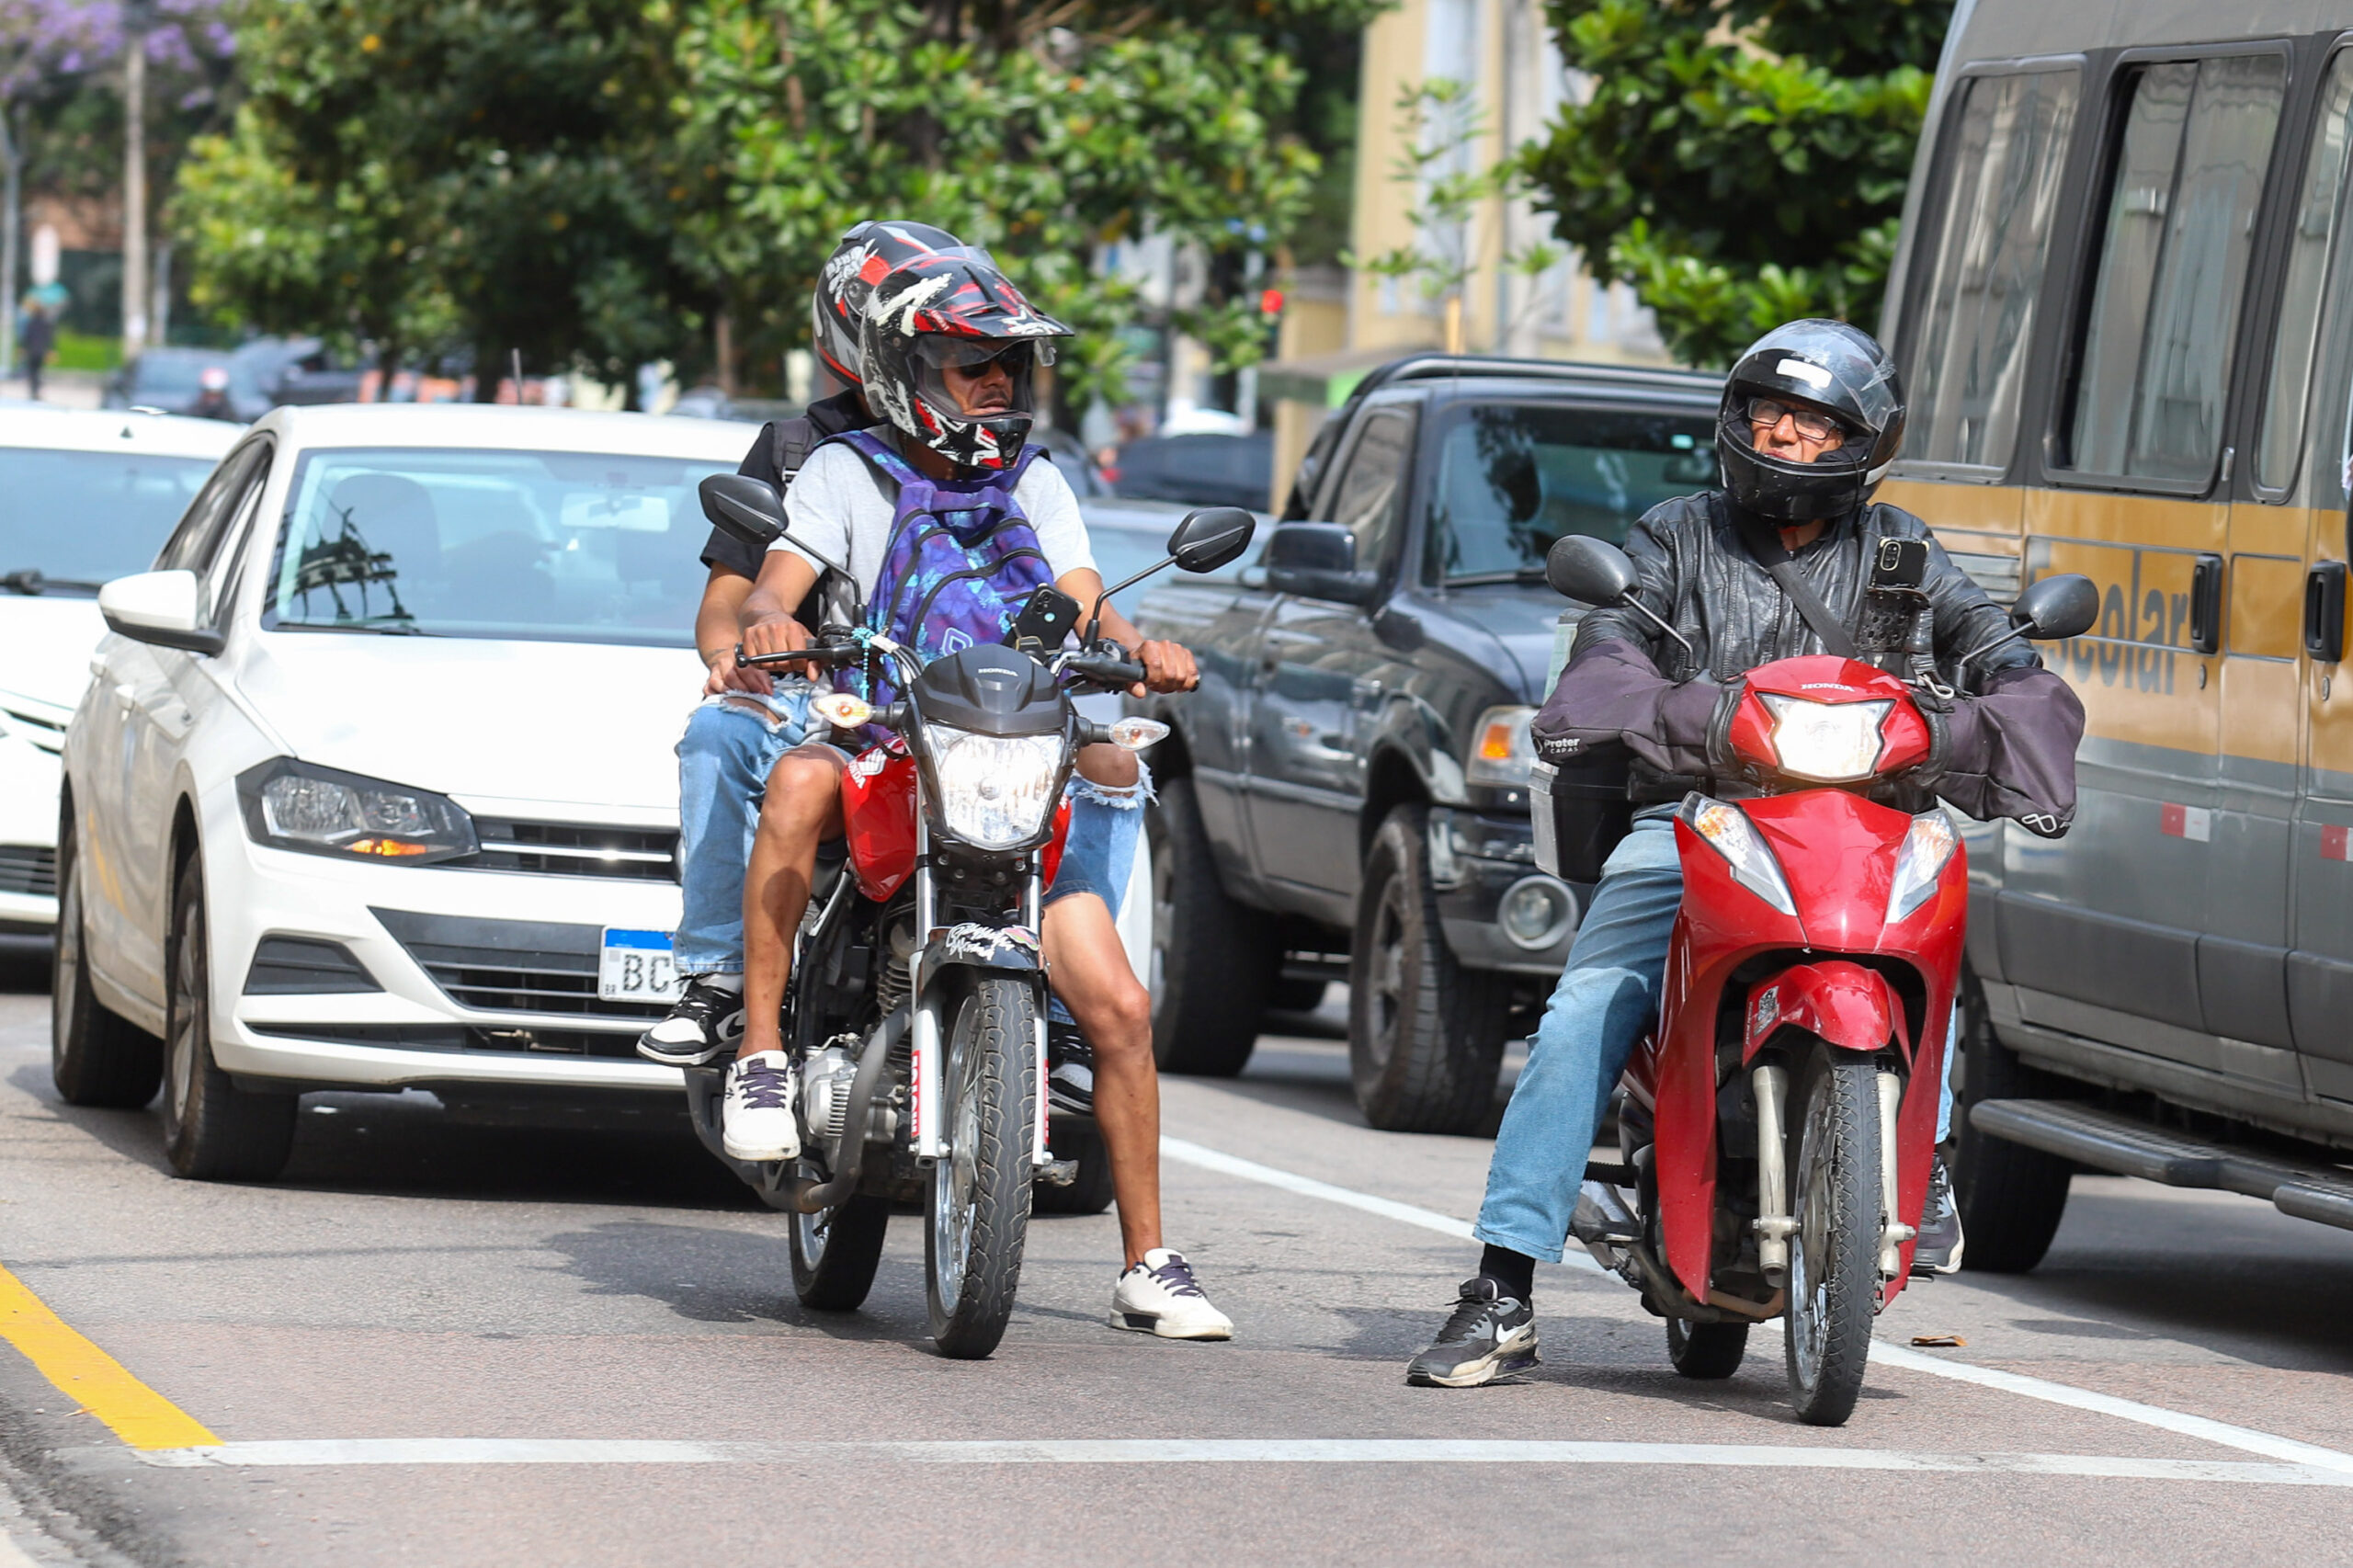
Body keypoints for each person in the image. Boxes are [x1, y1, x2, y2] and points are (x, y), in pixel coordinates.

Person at [1404, 320, 2085, 1388]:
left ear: (1862, 443)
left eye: (1814, 424)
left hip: (1865, 828)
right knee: (1590, 1000)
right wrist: (1691, 716)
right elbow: (1607, 655)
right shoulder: (1675, 536)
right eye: (1770, 412)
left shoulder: (1904, 551)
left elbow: (2004, 663)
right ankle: (1500, 1286)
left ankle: (1929, 1155)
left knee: (1944, 950)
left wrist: (1987, 713)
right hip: (1696, 817)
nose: (1784, 435)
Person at [726, 248, 1233, 1339]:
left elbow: (1083, 598)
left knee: (1121, 1007)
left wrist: (1143, 647)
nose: (998, 381)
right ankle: (762, 1053)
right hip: (885, 746)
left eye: (1009, 363)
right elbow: (780, 580)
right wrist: (773, 619)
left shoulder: (1037, 482)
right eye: (972, 362)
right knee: (800, 776)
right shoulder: (842, 472)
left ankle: (1148, 1260)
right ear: (912, 365)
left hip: (1006, 761)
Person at [639, 219, 965, 1069]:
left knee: (1111, 766)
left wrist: (1127, 645)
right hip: (819, 702)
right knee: (719, 731)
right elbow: (730, 600)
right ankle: (714, 980)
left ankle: (1071, 1015)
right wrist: (738, 651)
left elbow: (1062, 580)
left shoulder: (992, 451)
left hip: (961, 712)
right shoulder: (797, 448)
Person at [20, 301, 54, 403]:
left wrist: (23, 348)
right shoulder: (46, 323)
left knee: (32, 371)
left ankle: (34, 390)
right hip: (41, 350)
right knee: (38, 371)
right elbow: (50, 338)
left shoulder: (31, 322)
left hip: (32, 350)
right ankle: (37, 389)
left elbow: (26, 337)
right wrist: (50, 350)